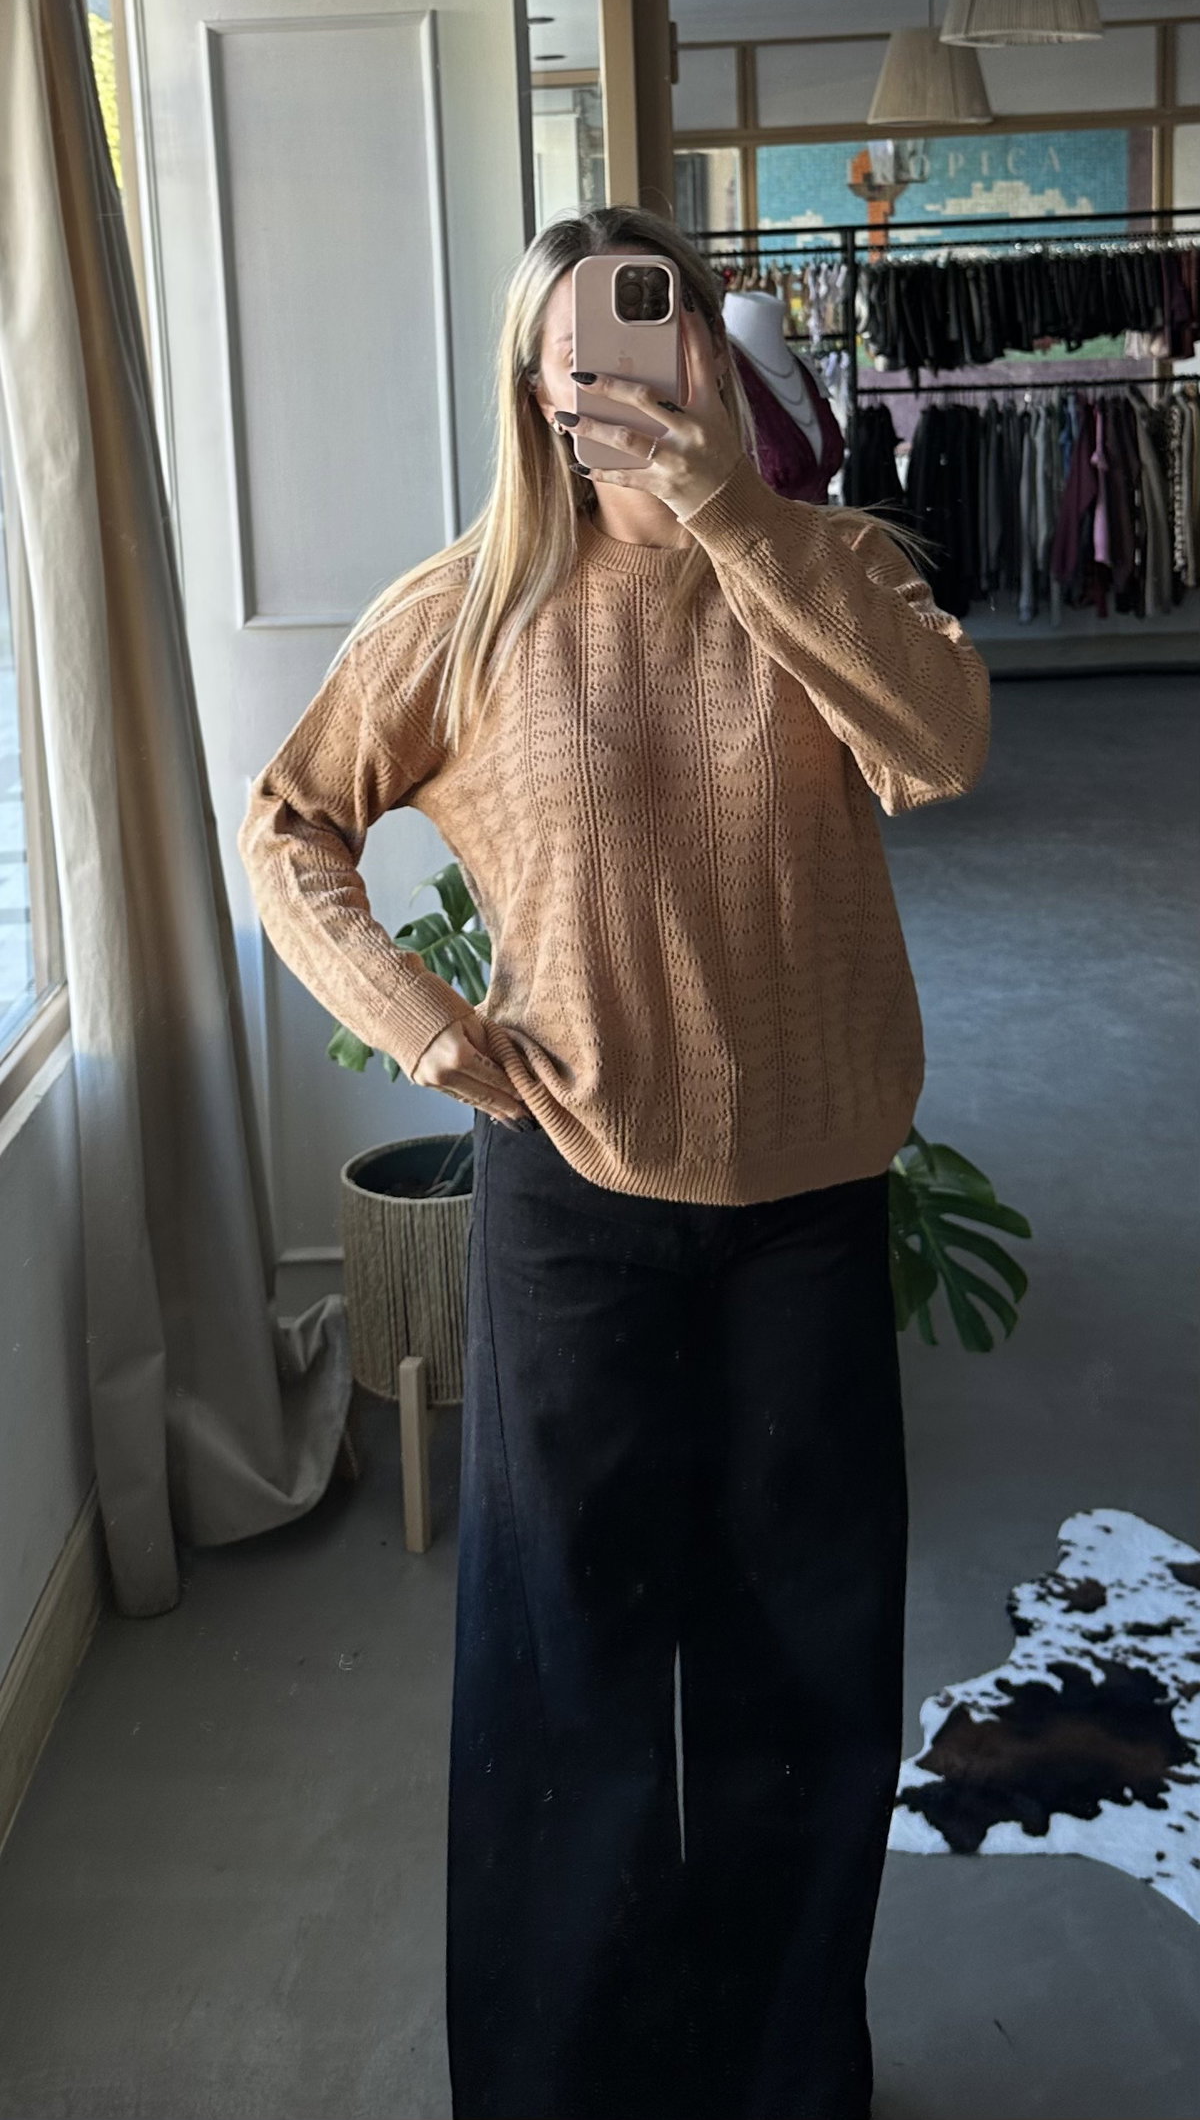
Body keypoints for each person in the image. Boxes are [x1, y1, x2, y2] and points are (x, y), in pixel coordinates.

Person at [238, 203, 991, 2120]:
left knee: (802, 1677)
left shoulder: (824, 566)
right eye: (572, 353)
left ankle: (782, 2080)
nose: (613, 382)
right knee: (562, 1679)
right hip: (576, 1205)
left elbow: (938, 749)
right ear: (529, 384)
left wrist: (735, 514)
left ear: (708, 355)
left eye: (649, 338)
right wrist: (416, 1017)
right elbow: (290, 821)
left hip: (810, 1211)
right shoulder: (474, 608)